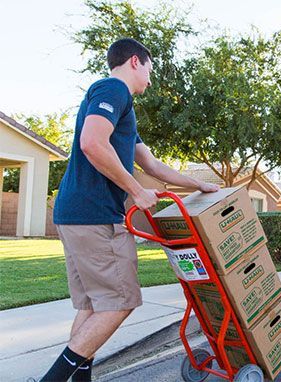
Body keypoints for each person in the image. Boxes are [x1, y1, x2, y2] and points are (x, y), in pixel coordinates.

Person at [40, 38, 219, 382]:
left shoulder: (122, 109)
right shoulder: (113, 89)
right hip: (95, 215)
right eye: (150, 70)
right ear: (135, 62)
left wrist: (198, 185)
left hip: (73, 214)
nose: (150, 80)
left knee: (92, 307)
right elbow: (92, 143)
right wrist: (136, 191)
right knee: (119, 303)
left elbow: (151, 163)